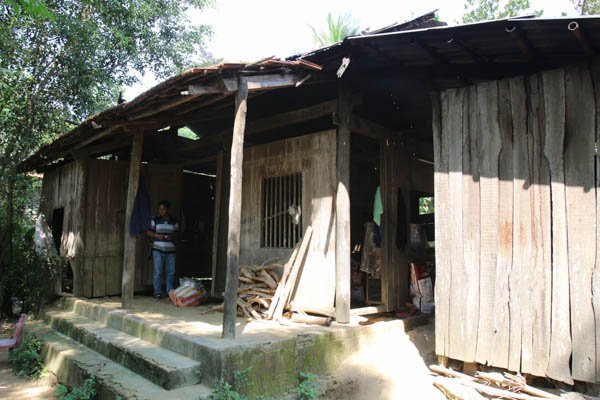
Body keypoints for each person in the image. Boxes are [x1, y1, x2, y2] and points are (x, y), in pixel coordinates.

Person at [147, 201, 179, 299]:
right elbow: (148, 232)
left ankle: (170, 292)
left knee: (170, 272)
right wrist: (157, 235)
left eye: (163, 209)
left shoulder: (174, 222)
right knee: (158, 272)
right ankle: (157, 292)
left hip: (171, 251)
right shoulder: (155, 220)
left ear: (168, 210)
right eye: (160, 209)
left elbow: (178, 233)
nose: (161, 211)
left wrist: (172, 236)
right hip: (158, 249)